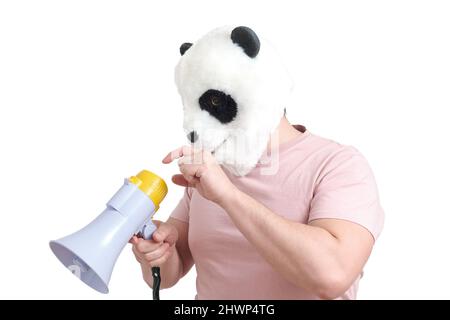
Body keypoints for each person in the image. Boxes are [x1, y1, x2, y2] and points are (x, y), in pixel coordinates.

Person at [130, 116, 384, 299]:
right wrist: (156, 253)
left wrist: (228, 195)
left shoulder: (337, 164)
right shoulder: (211, 168)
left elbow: (332, 275)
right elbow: (170, 272)